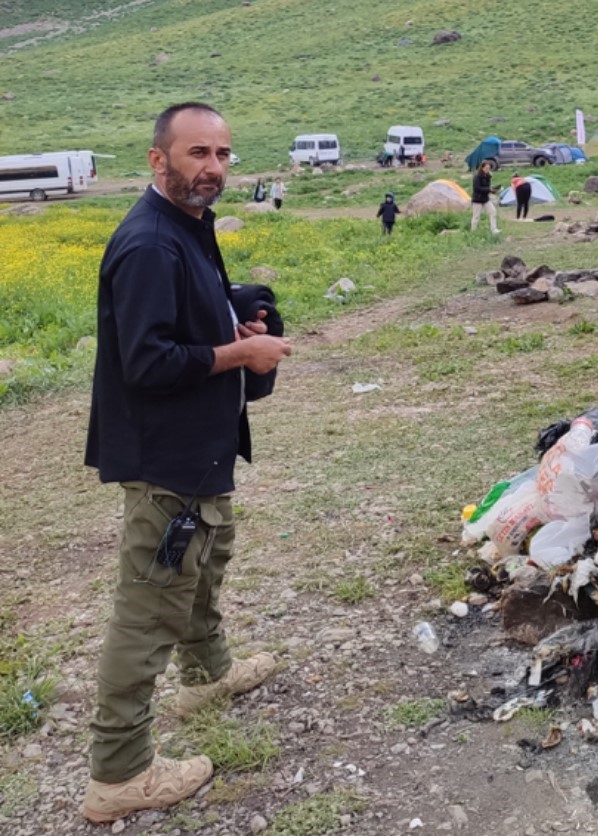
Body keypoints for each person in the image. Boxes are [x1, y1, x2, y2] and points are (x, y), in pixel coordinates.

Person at [81, 102, 292, 824]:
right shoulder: (149, 242)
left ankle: (208, 674)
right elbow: (145, 361)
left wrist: (231, 321)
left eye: (224, 154)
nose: (214, 168)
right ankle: (118, 773)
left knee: (203, 562)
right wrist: (241, 354)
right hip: (164, 455)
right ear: (158, 160)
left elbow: (178, 324)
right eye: (197, 153)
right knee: (148, 607)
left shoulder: (188, 227)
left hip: (199, 445)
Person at [470, 160, 500, 234]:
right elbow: (477, 188)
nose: (487, 169)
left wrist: (493, 190)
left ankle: (494, 229)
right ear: (482, 168)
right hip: (477, 199)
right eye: (486, 168)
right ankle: (473, 231)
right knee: (476, 216)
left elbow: (487, 187)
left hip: (485, 199)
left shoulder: (488, 177)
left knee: (493, 211)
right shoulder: (477, 177)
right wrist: (488, 189)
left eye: (489, 168)